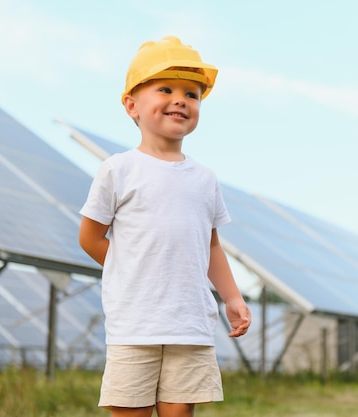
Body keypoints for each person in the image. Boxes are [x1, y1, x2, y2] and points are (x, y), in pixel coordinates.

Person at [78, 35, 251, 417]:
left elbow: (211, 247)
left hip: (189, 322)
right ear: (131, 105)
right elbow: (90, 238)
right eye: (165, 89)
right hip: (135, 323)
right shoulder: (118, 169)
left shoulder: (205, 179)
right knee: (130, 410)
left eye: (193, 95)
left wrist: (232, 298)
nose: (181, 100)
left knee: (178, 411)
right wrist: (135, 271)